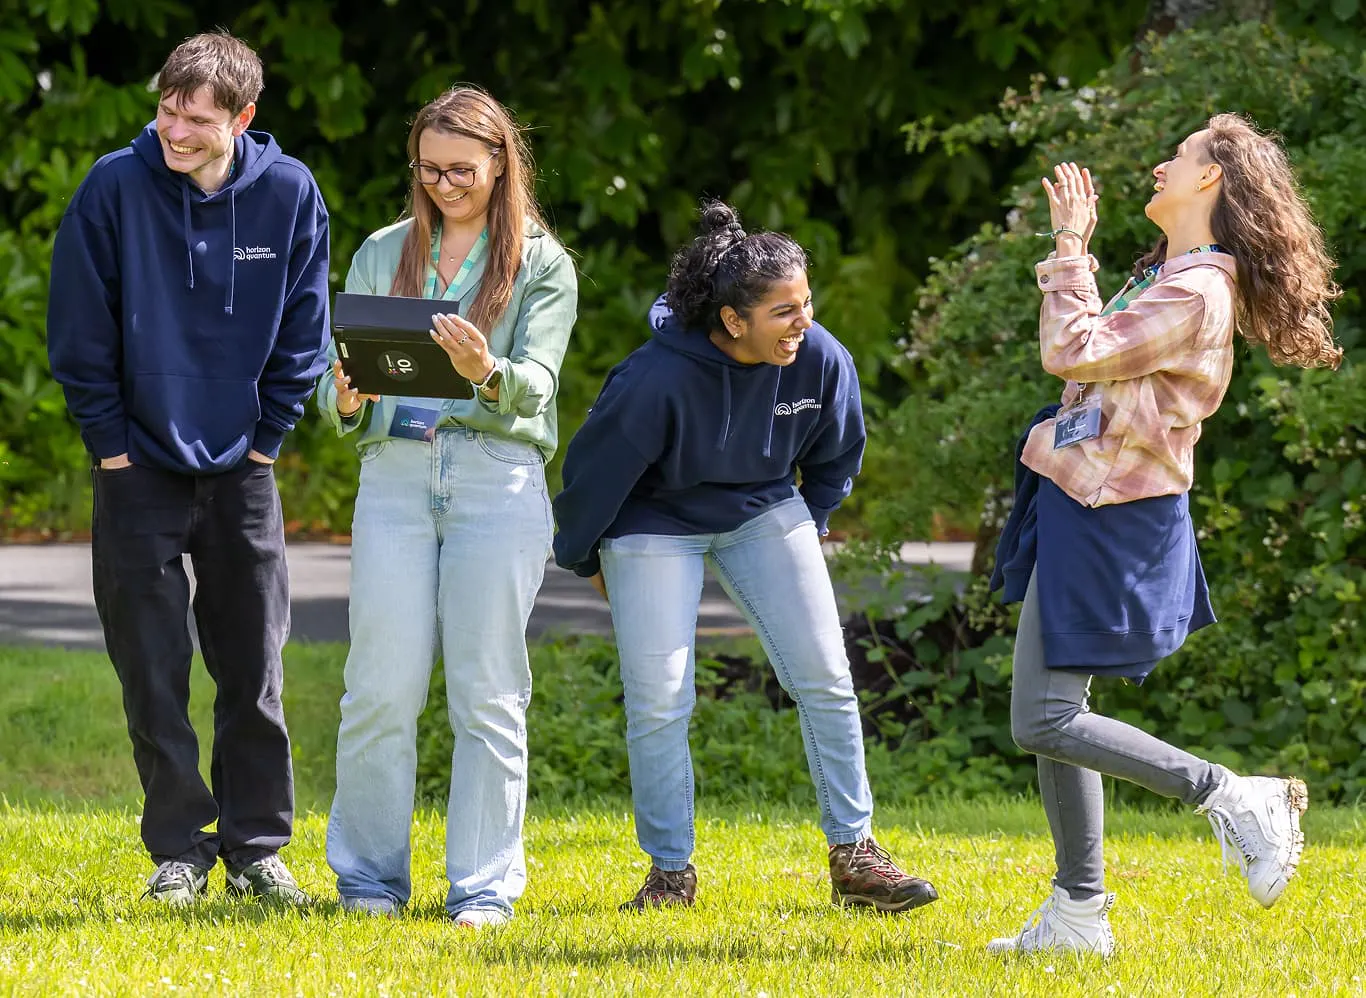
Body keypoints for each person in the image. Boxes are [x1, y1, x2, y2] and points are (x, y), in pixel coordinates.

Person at [986, 113, 1342, 957]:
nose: (1160, 164)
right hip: (1082, 499)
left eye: (1178, 156)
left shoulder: (1198, 290)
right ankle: (1078, 915)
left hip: (1116, 517)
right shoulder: (1173, 272)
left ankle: (1227, 793)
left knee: (1043, 718)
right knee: (1051, 711)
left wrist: (1071, 245)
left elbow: (1073, 351)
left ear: (1212, 179)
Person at [552, 200, 938, 914]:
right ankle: (670, 873)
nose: (803, 323)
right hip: (653, 517)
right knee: (661, 699)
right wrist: (584, 559)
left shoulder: (819, 357)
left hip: (764, 506)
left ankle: (855, 856)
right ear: (733, 321)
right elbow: (590, 478)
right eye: (783, 312)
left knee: (826, 675)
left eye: (806, 305)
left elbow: (837, 454)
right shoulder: (654, 380)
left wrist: (806, 524)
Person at [46, 31, 329, 905]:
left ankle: (256, 848)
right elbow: (79, 330)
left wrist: (268, 437)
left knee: (255, 667)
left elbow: (304, 322)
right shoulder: (113, 187)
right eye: (168, 109)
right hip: (137, 468)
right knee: (153, 668)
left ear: (243, 118)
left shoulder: (287, 194)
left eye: (198, 119)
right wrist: (112, 448)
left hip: (243, 467)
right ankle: (179, 850)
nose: (176, 130)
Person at [319, 86, 577, 928]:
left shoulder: (542, 263)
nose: (444, 185)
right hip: (394, 476)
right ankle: (367, 882)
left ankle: (483, 889)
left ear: (501, 162)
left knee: (488, 692)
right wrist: (347, 399)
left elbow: (537, 387)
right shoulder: (383, 249)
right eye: (429, 170)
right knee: (378, 691)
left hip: (494, 477)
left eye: (461, 170)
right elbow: (338, 383)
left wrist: (487, 375)